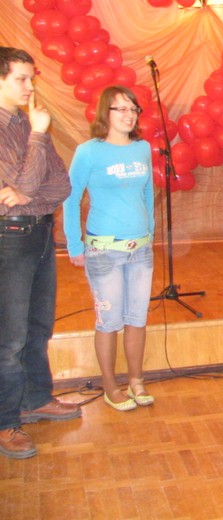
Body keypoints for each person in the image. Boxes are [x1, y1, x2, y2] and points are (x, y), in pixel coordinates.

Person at [0, 47, 79, 460]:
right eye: (21, 79)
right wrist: (37, 134)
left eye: (32, 78)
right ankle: (5, 421)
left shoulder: (28, 123)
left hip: (41, 232)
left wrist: (27, 194)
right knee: (9, 338)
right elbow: (23, 182)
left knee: (38, 327)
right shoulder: (29, 126)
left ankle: (35, 399)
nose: (30, 86)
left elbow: (60, 185)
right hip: (9, 237)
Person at [63, 86, 155, 412]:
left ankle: (136, 380)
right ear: (106, 112)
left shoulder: (143, 148)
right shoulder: (89, 152)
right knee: (109, 321)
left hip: (140, 250)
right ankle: (110, 386)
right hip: (104, 252)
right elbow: (71, 199)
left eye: (133, 109)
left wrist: (150, 231)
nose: (129, 115)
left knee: (137, 319)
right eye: (121, 109)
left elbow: (148, 193)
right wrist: (74, 244)